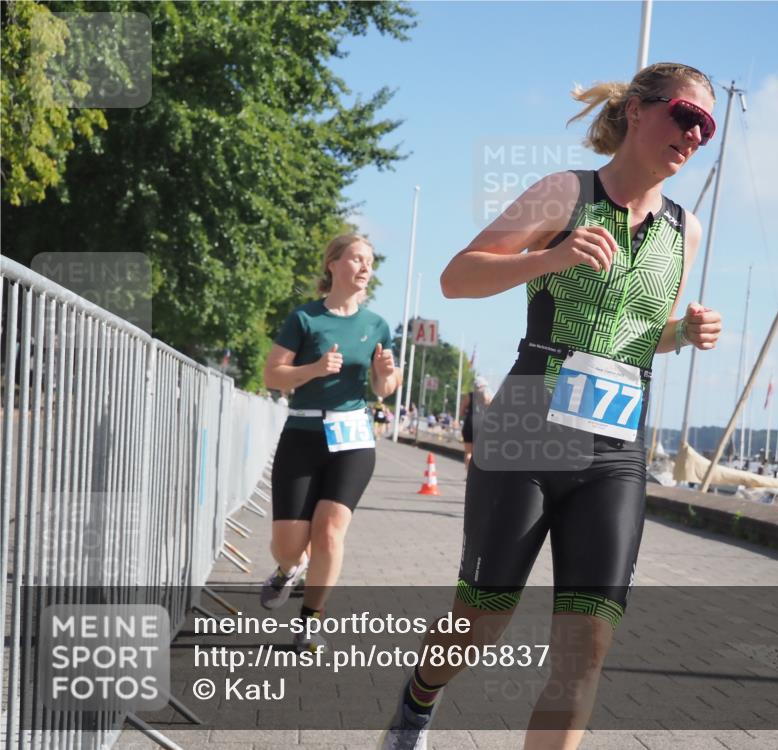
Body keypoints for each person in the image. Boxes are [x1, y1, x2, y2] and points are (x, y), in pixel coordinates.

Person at [379, 62, 723, 750]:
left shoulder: (685, 230)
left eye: (706, 128)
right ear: (634, 110)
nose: (693, 134)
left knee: (587, 647)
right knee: (482, 620)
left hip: (615, 447)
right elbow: (457, 278)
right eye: (683, 115)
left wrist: (683, 333)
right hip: (530, 421)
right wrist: (551, 257)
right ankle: (418, 703)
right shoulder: (566, 191)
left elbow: (641, 334)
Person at [260, 233, 400, 652]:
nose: (364, 268)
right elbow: (273, 375)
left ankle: (310, 622)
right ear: (333, 264)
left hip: (353, 436)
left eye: (369, 262)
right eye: (356, 259)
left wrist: (384, 372)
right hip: (303, 434)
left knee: (330, 533)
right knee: (289, 544)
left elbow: (385, 387)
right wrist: (315, 368)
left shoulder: (376, 325)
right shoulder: (305, 319)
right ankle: (288, 569)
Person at [460, 376, 493, 471]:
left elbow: (461, 412)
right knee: (477, 453)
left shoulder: (469, 396)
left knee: (468, 452)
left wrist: (467, 412)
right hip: (480, 424)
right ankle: (474, 473)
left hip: (469, 424)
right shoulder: (486, 397)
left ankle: (468, 473)